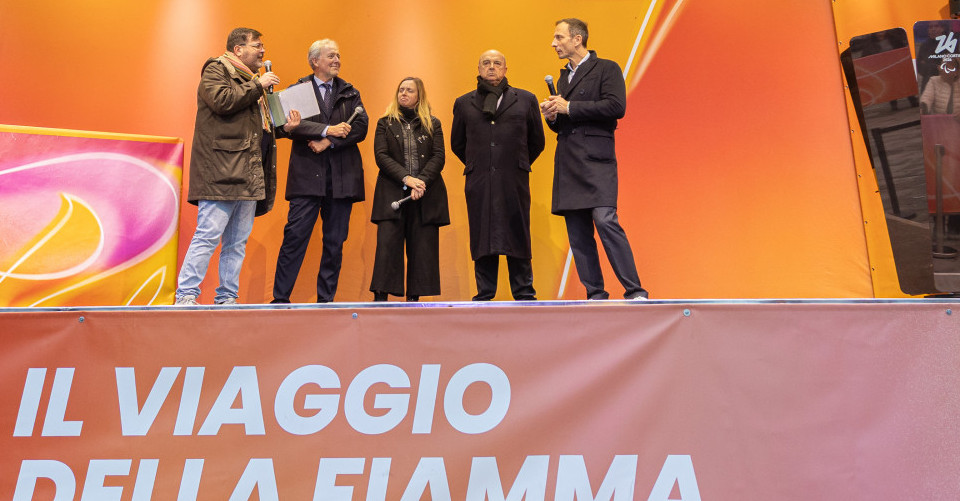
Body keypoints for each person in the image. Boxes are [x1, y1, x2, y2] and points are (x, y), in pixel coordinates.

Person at [175, 27, 301, 306]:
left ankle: (227, 297)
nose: (262, 51)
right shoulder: (216, 69)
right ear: (238, 50)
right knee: (208, 236)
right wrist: (258, 86)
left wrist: (285, 128)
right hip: (221, 172)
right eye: (257, 45)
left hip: (248, 174)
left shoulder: (252, 81)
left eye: (262, 46)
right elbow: (222, 101)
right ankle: (186, 295)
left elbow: (258, 128)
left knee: (236, 243)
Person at [540, 18, 649, 300]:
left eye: (559, 37)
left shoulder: (606, 68)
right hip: (568, 161)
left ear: (577, 39)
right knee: (577, 232)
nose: (554, 43)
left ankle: (635, 291)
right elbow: (564, 123)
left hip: (596, 160)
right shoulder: (563, 77)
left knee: (605, 220)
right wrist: (553, 117)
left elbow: (616, 106)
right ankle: (595, 294)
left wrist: (570, 106)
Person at [271, 39, 368, 303]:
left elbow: (360, 127)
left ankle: (326, 301)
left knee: (334, 244)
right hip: (306, 177)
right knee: (294, 238)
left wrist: (329, 141)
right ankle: (280, 300)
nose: (337, 60)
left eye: (338, 56)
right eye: (331, 56)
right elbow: (285, 126)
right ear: (315, 61)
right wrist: (327, 129)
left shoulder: (350, 92)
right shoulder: (297, 90)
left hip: (341, 179)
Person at [451, 50, 545, 301]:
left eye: (497, 63)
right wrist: (481, 163)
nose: (491, 67)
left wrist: (516, 163)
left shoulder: (525, 100)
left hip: (514, 180)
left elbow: (536, 141)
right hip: (479, 181)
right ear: (479, 69)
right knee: (482, 234)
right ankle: (485, 293)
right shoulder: (464, 103)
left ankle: (524, 292)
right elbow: (458, 143)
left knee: (517, 231)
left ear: (505, 69)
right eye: (486, 63)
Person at [369, 77, 449, 301]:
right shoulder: (384, 123)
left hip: (425, 196)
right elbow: (381, 156)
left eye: (409, 90)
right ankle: (380, 300)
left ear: (419, 96)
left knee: (422, 250)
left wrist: (420, 181)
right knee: (387, 249)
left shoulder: (433, 123)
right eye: (401, 90)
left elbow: (439, 156)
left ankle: (414, 302)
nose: (403, 93)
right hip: (391, 194)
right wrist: (407, 179)